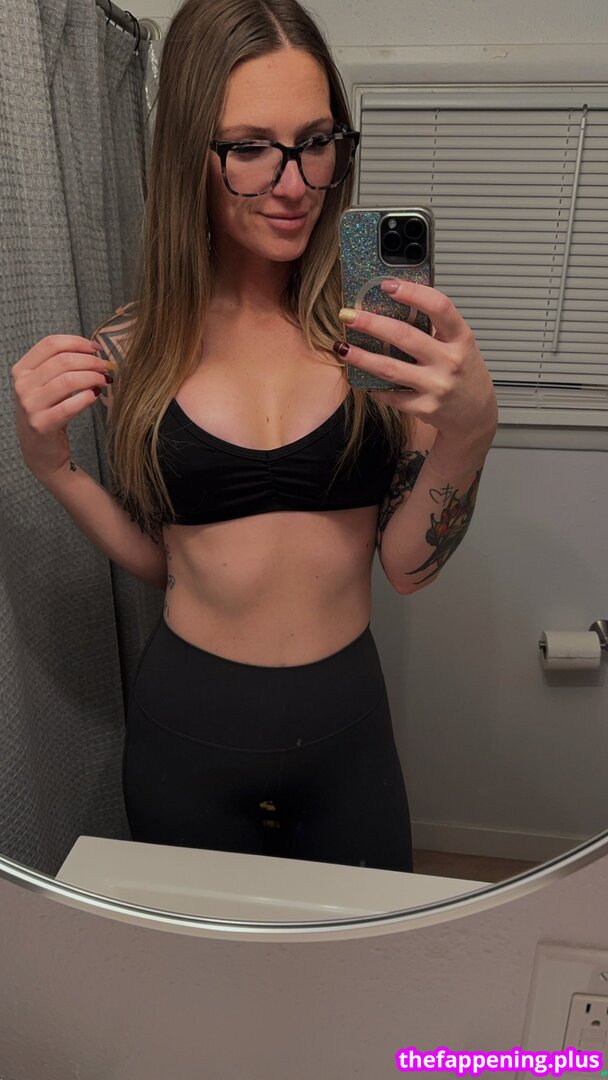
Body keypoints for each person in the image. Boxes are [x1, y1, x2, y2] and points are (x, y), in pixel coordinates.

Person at [11, 0, 498, 872]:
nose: (294, 183)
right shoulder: (134, 348)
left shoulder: (377, 336)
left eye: (316, 142)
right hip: (185, 733)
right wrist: (58, 472)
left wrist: (471, 432)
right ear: (188, 155)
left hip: (346, 733)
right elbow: (170, 563)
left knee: (363, 949)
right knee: (193, 958)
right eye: (249, 148)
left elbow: (406, 568)